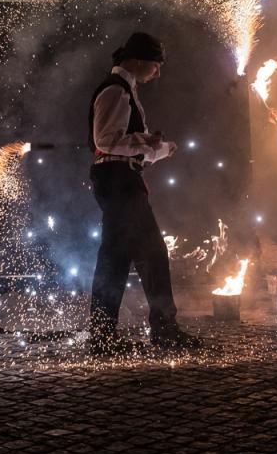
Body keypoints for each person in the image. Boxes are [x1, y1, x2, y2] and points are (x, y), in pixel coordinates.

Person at [87, 31, 202, 352]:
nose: (158, 72)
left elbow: (124, 146)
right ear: (137, 61)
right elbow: (105, 141)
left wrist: (159, 149)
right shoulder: (115, 90)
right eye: (155, 65)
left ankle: (104, 336)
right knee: (150, 254)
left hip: (120, 179)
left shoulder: (124, 89)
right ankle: (161, 330)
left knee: (117, 258)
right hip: (118, 181)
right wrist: (146, 143)